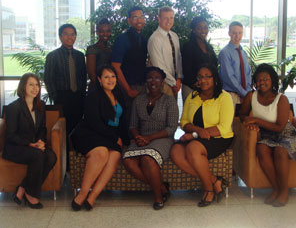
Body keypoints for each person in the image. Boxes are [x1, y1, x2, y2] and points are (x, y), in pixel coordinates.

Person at [170, 64, 234, 207]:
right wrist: (197, 131)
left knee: (192, 148)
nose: (203, 80)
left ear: (214, 78)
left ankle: (208, 189)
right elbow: (184, 121)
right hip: (197, 136)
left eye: (207, 76)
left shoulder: (224, 97)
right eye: (200, 77)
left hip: (219, 138)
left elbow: (223, 127)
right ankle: (214, 180)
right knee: (175, 152)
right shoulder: (193, 96)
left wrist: (193, 135)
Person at [70, 65, 129, 211]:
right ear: (99, 79)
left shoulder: (120, 93)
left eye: (113, 76)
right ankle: (83, 194)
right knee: (102, 153)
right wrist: (115, 138)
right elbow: (94, 122)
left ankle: (93, 196)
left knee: (115, 155)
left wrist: (123, 139)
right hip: (89, 133)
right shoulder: (93, 95)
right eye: (106, 77)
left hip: (109, 135)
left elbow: (123, 121)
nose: (110, 80)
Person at [122, 66, 179, 210]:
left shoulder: (169, 100)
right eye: (149, 78)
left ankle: (158, 197)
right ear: (145, 82)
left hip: (162, 138)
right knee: (128, 160)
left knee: (148, 158)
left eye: (157, 78)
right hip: (142, 138)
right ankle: (162, 187)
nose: (153, 81)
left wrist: (149, 137)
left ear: (162, 82)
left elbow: (172, 128)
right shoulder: (138, 100)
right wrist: (138, 137)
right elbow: (133, 125)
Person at [240, 63, 295, 207]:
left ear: (272, 81)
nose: (261, 82)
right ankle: (276, 188)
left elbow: (280, 127)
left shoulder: (281, 99)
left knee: (280, 151)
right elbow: (242, 115)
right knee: (262, 149)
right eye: (258, 80)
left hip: (286, 135)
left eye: (265, 79)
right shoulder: (251, 96)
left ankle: (284, 191)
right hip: (265, 135)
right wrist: (249, 123)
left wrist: (257, 120)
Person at [3, 73, 57, 209]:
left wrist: (41, 142)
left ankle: (23, 188)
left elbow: (42, 129)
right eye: (31, 85)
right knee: (37, 155)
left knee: (51, 156)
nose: (35, 88)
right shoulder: (13, 108)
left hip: (32, 146)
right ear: (23, 87)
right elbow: (11, 135)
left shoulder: (40, 105)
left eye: (37, 85)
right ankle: (32, 195)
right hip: (15, 147)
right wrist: (30, 144)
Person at [44, 24, 87, 151]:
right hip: (62, 97)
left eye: (73, 34)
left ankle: (75, 158)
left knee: (77, 129)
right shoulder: (53, 56)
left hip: (78, 97)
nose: (70, 37)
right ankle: (65, 163)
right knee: (63, 129)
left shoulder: (79, 56)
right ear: (60, 37)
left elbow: (83, 77)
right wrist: (55, 97)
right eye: (66, 34)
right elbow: (49, 79)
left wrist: (82, 94)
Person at [112, 6, 147, 99]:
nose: (139, 20)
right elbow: (115, 66)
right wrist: (128, 90)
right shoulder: (122, 39)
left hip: (142, 86)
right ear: (129, 20)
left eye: (141, 17)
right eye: (135, 17)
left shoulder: (144, 38)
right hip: (127, 87)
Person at [148, 6, 183, 98]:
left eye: (171, 18)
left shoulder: (174, 36)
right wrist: (173, 83)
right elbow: (158, 65)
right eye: (165, 18)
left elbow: (179, 59)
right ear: (159, 19)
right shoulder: (155, 38)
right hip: (162, 84)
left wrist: (179, 78)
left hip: (175, 83)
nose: (169, 21)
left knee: (173, 111)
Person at [182, 16, 218, 101]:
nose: (203, 31)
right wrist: (199, 85)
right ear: (194, 30)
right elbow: (186, 69)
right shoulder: (188, 46)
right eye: (199, 28)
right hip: (192, 88)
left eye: (205, 28)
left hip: (207, 88)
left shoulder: (209, 47)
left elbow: (214, 66)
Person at [218, 21, 251, 106]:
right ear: (229, 33)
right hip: (231, 95)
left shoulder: (243, 53)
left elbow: (248, 73)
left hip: (246, 95)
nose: (237, 36)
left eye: (240, 33)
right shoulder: (225, 52)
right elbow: (229, 77)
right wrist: (244, 93)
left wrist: (248, 92)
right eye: (234, 33)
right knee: (231, 119)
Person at [86, 18, 112, 91]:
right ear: (97, 32)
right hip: (97, 88)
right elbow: (91, 73)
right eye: (102, 31)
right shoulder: (92, 49)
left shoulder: (112, 48)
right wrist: (102, 88)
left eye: (108, 31)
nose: (105, 34)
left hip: (110, 86)